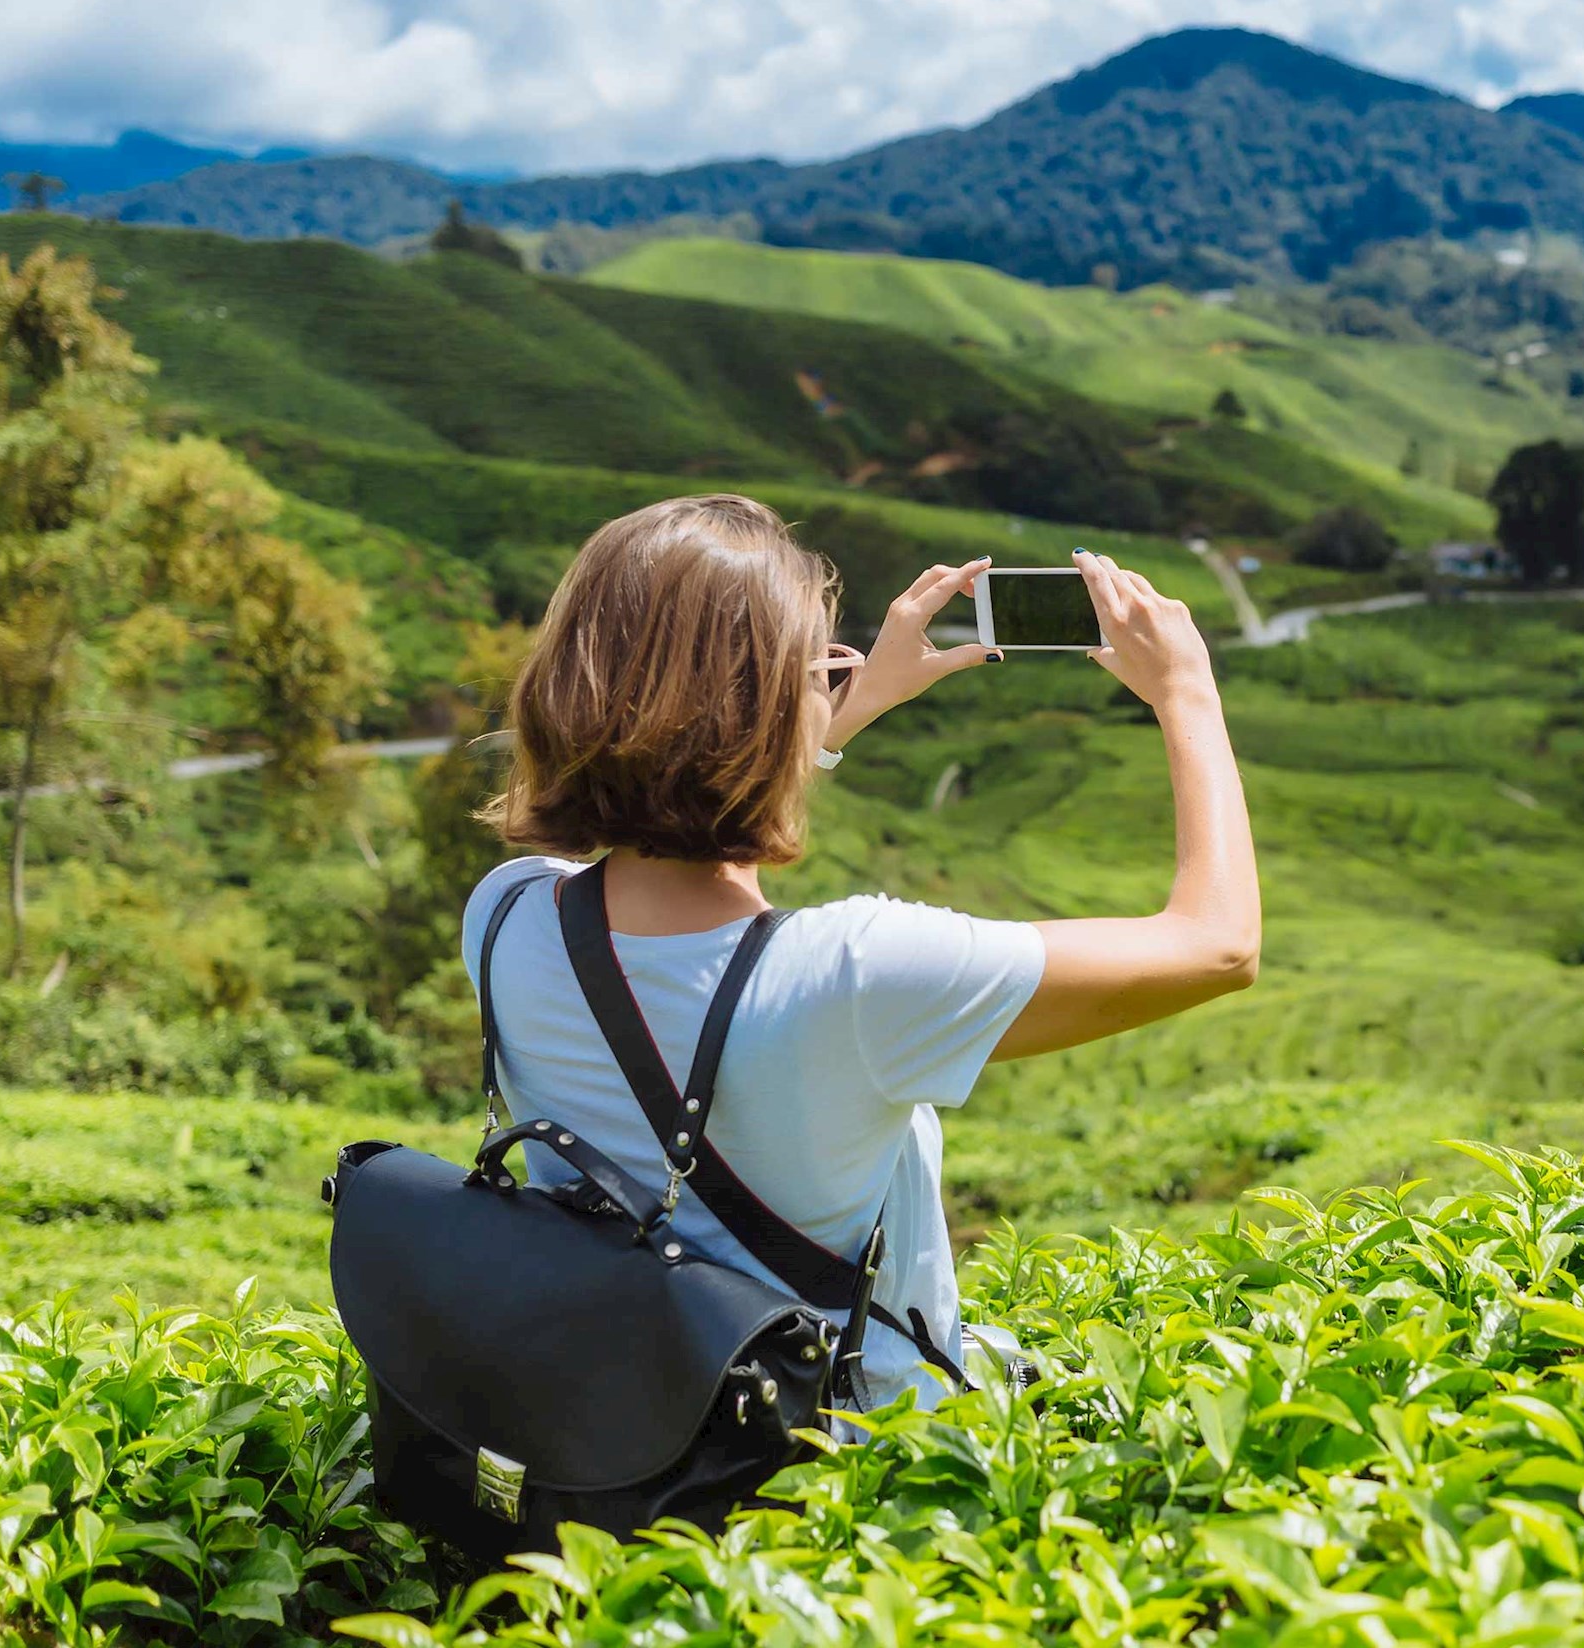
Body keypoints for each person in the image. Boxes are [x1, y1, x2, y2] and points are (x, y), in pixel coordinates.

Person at [461, 495, 1259, 1408]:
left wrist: (835, 707)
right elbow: (1219, 945)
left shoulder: (505, 916)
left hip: (621, 1413)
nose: (837, 678)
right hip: (839, 1462)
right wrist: (1187, 691)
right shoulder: (856, 974)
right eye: (819, 668)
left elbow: (664, 818)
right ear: (759, 715)